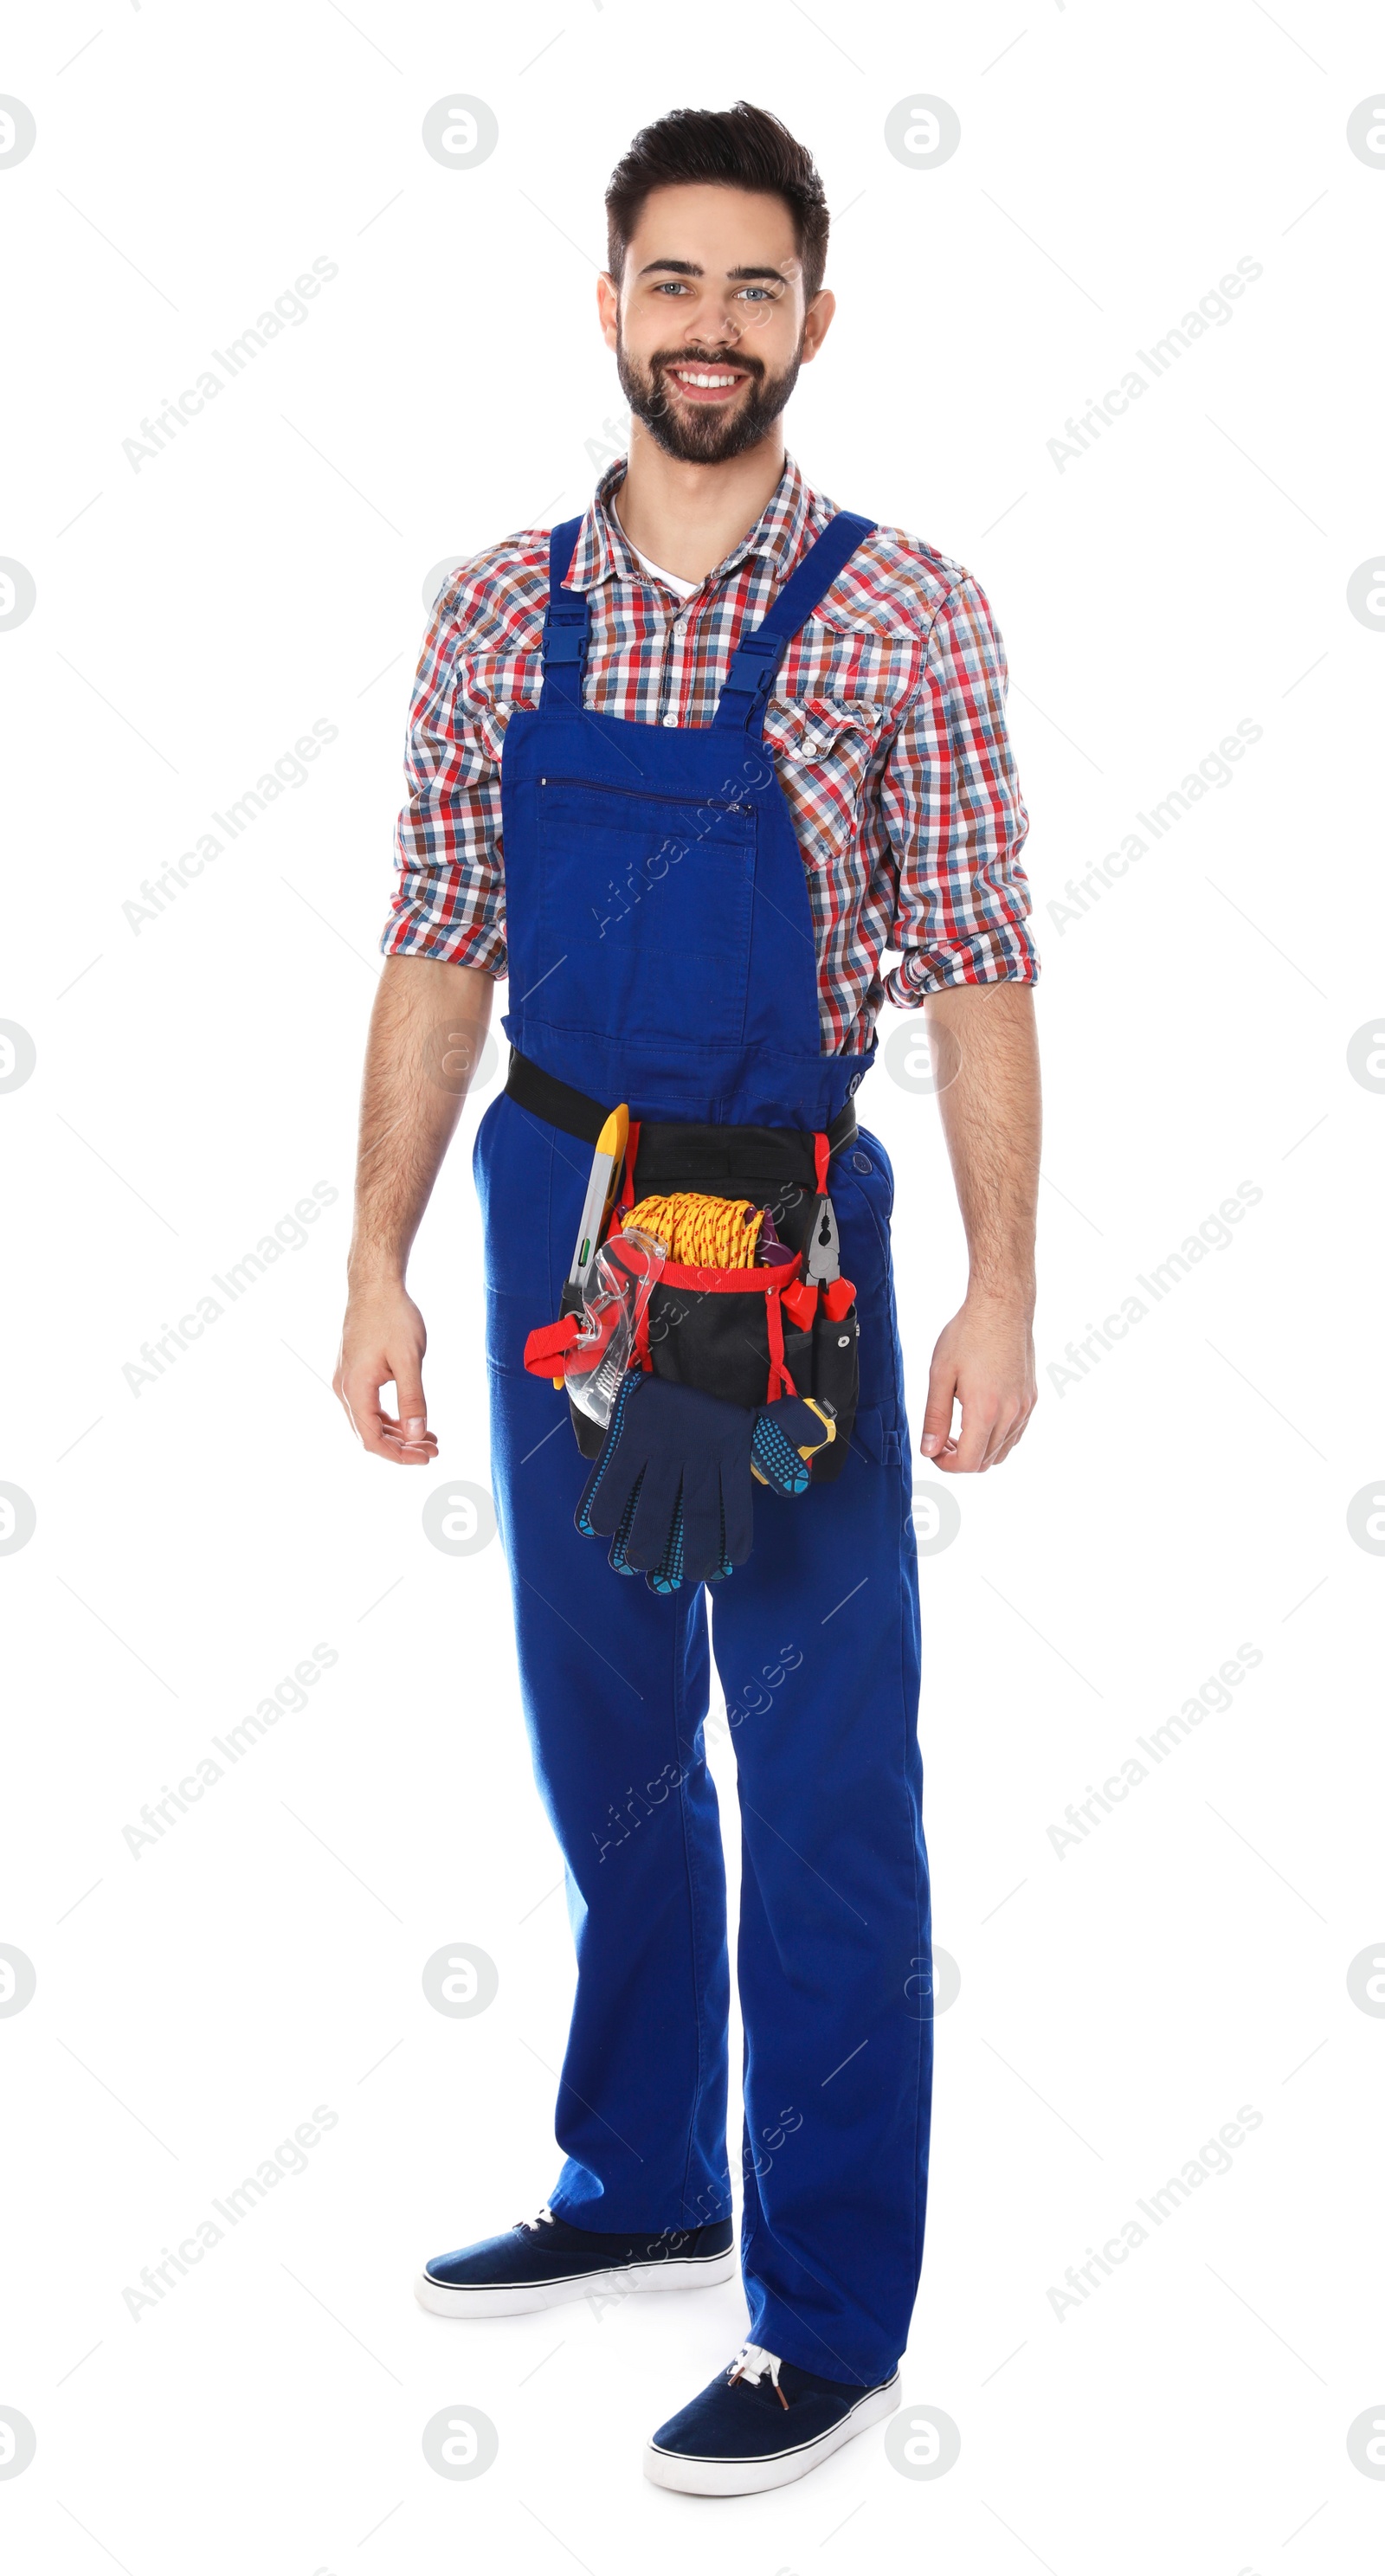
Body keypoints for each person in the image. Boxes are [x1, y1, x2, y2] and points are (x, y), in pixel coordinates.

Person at [334, 99, 1040, 2497]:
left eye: (757, 288)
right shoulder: (489, 611)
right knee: (604, 1720)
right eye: (672, 280)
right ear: (608, 301)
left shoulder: (903, 610)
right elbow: (440, 941)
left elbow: (980, 974)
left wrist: (1002, 1293)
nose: (711, 326)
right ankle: (642, 2175)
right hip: (554, 1210)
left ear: (813, 322)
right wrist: (374, 1258)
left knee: (827, 1770)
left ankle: (825, 2309)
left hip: (790, 1245)